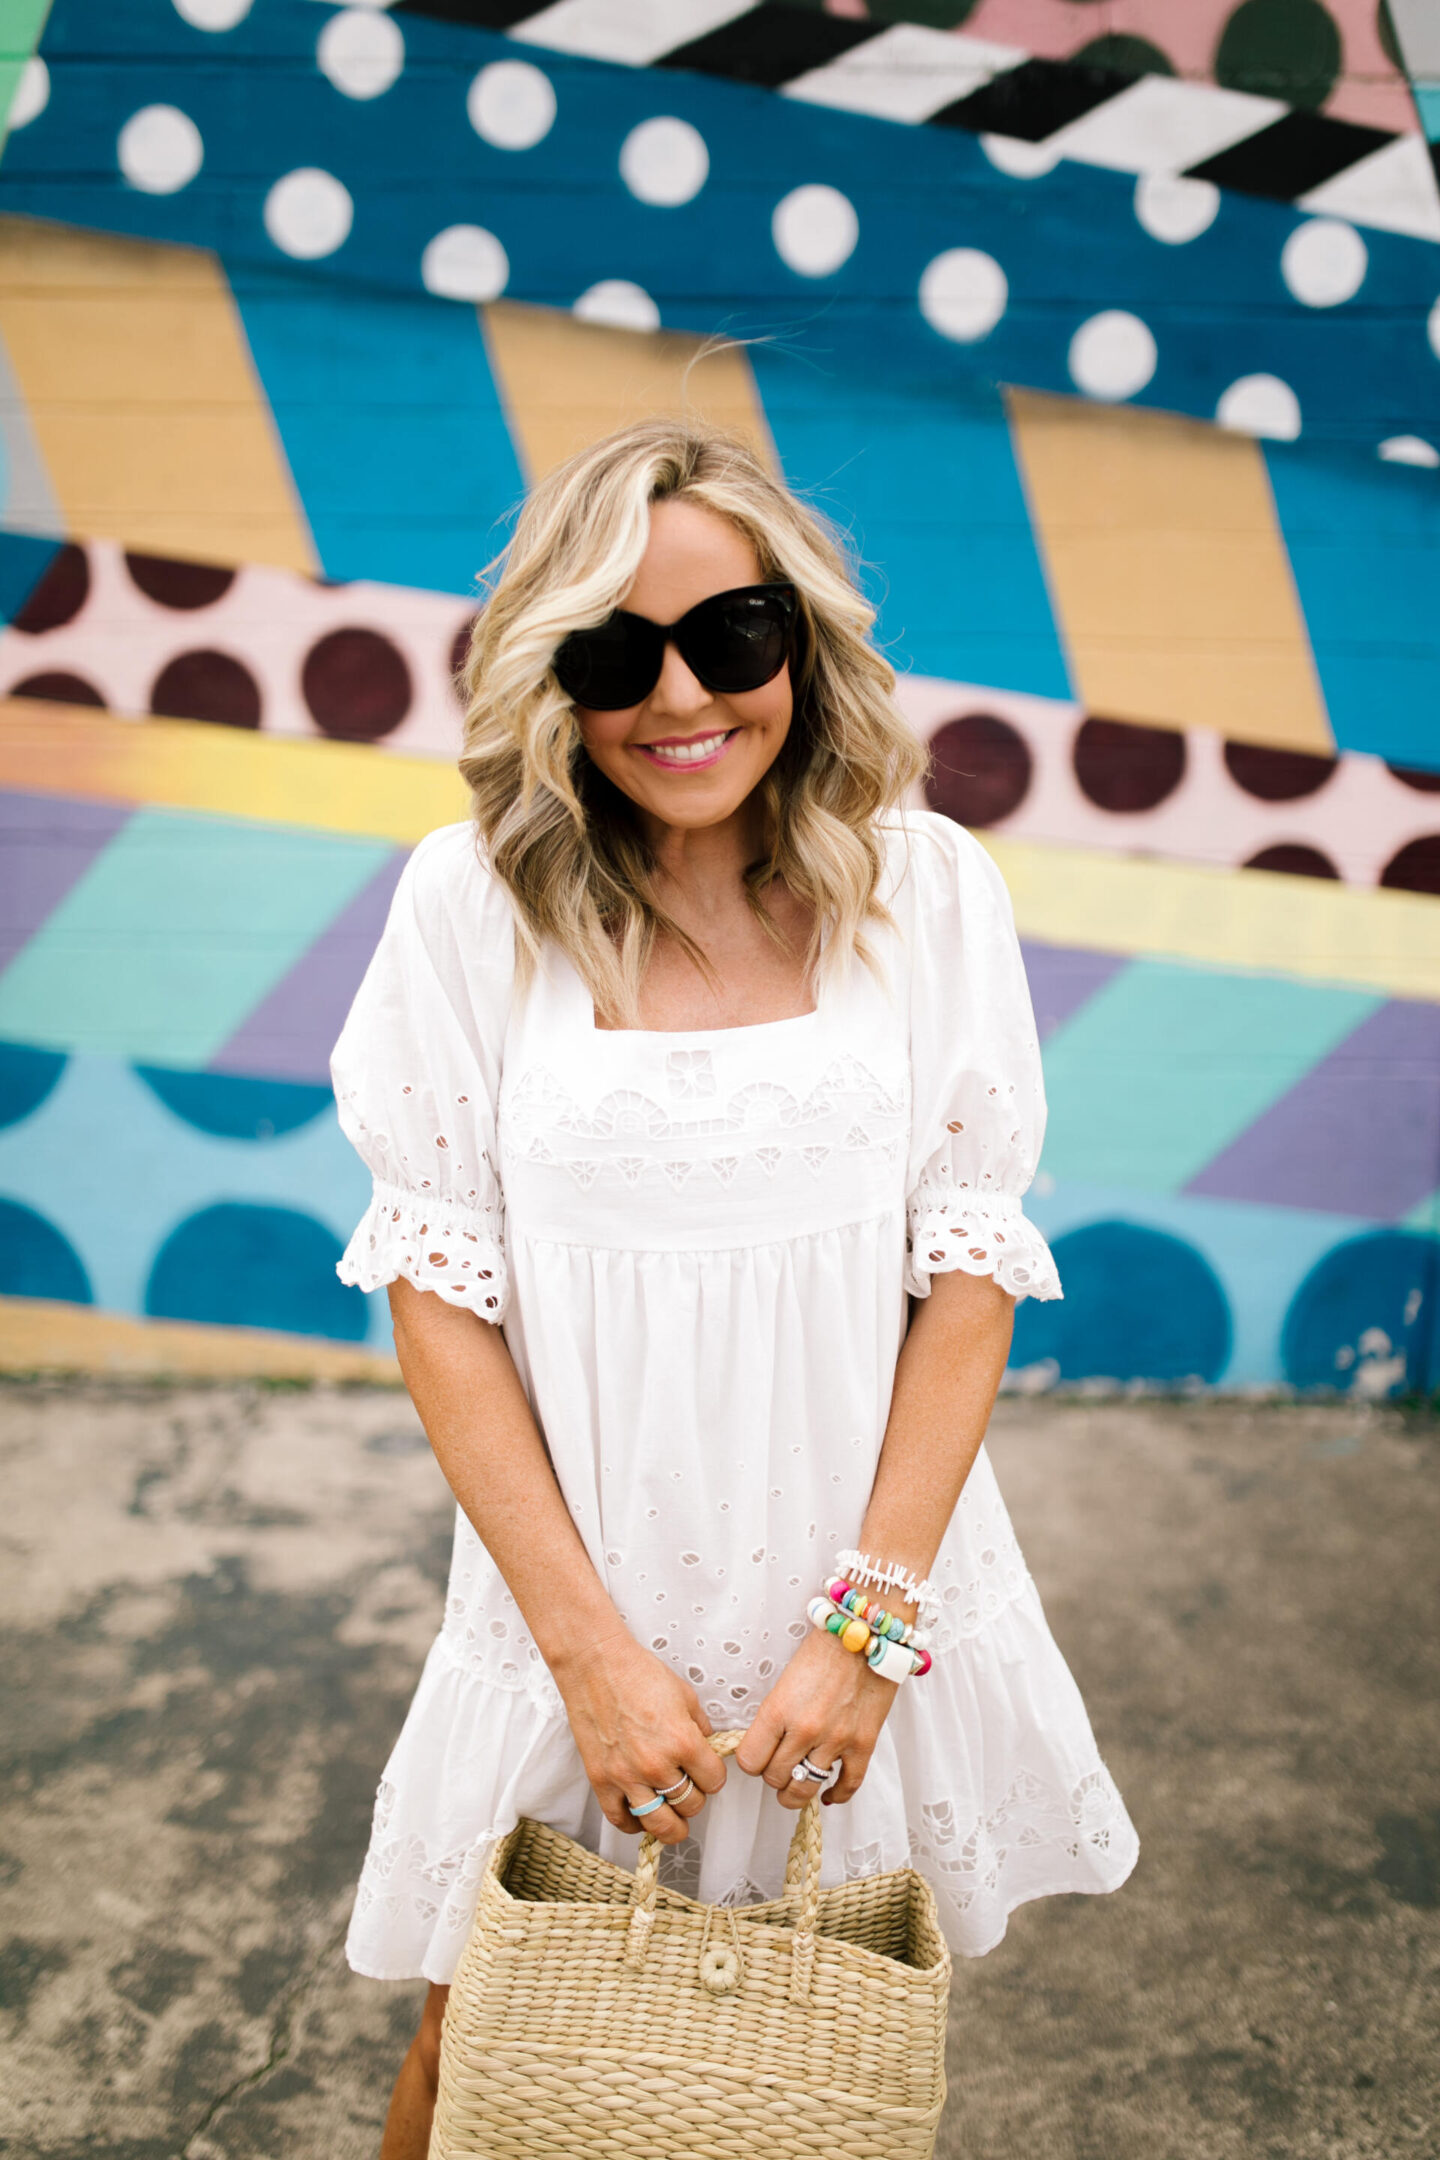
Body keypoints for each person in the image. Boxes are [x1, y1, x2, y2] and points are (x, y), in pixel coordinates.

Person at [329, 418, 1138, 2156]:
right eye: (616, 655)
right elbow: (439, 1295)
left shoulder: (926, 890)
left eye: (732, 635)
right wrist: (588, 1661)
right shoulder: (471, 905)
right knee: (482, 2045)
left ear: (802, 643)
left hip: (845, 1610)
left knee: (795, 2076)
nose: (681, 696)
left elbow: (969, 1268)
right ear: (554, 680)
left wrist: (867, 1637)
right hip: (577, 1604)